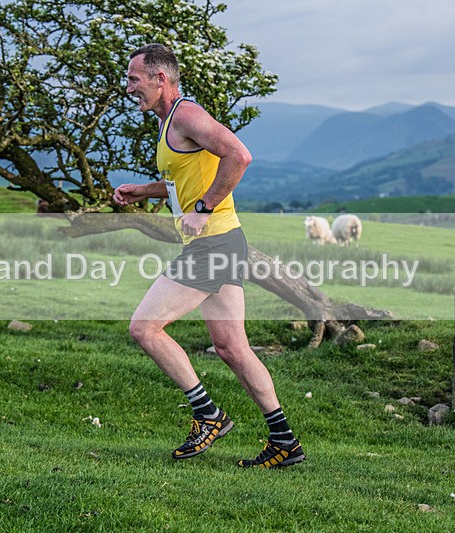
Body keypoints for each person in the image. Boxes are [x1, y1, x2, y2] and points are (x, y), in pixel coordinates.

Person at [112, 44, 305, 469]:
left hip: (212, 244)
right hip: (224, 243)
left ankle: (208, 414)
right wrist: (143, 190)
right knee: (233, 348)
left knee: (144, 328)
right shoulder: (169, 123)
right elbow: (184, 179)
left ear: (160, 79)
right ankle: (285, 441)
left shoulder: (185, 114)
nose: (129, 88)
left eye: (134, 79)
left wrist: (203, 210)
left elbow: (239, 156)